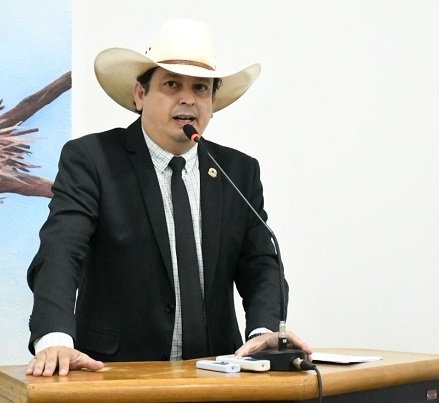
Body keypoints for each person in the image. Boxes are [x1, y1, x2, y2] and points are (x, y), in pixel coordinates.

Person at [26, 18, 312, 377]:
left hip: (218, 376)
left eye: (201, 88)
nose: (188, 99)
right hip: (116, 374)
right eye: (172, 84)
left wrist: (265, 331)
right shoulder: (93, 160)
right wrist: (55, 338)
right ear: (140, 95)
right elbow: (60, 251)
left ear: (212, 102)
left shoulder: (237, 171)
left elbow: (261, 265)